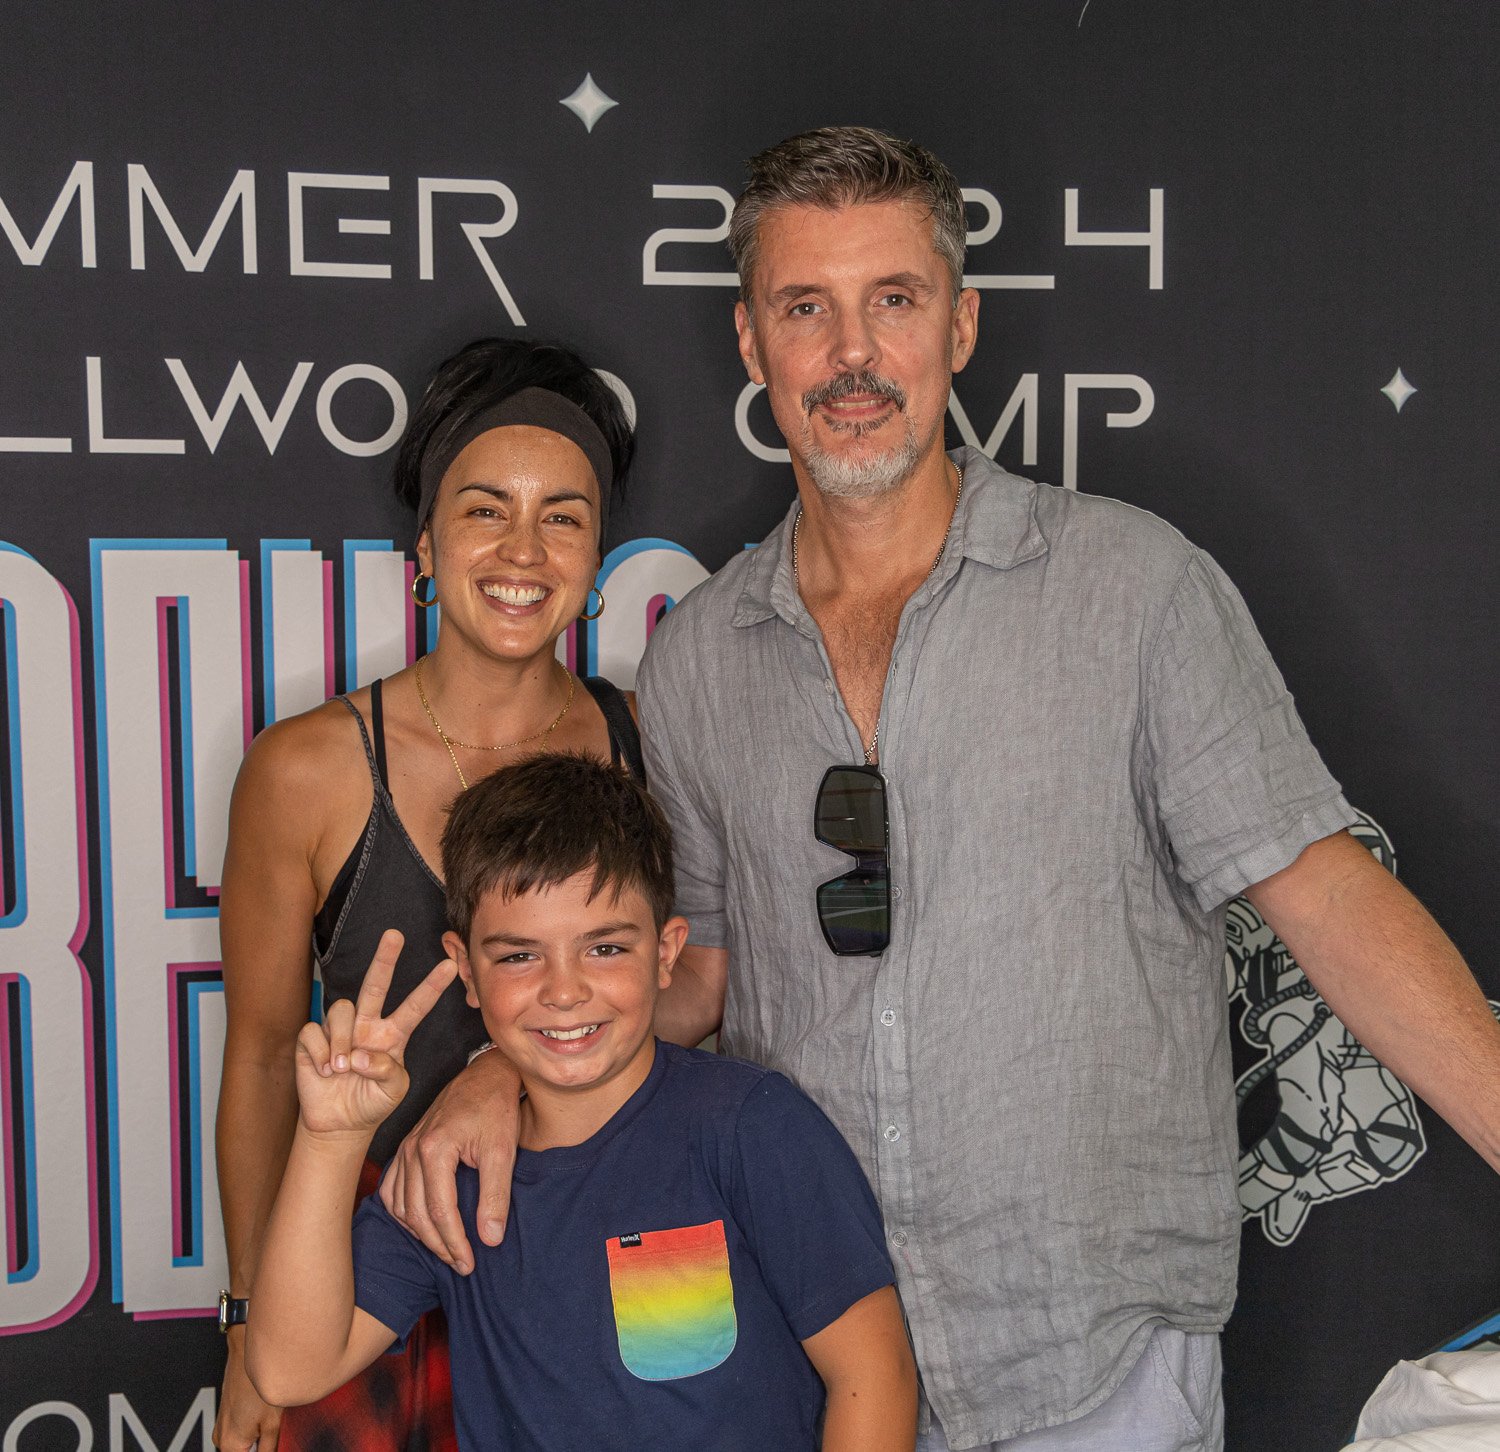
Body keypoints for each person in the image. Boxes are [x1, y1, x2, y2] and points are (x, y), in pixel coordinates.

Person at [380, 129, 1500, 1452]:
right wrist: (504, 1075)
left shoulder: (1134, 589)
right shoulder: (698, 659)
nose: (852, 354)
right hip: (813, 1364)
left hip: (1092, 1365)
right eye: (806, 307)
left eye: (894, 300)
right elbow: (693, 979)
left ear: (960, 327)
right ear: (752, 343)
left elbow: (1322, 893)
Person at [213, 336, 641, 1452]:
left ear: (598, 556)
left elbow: (690, 985)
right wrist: (250, 1319)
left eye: (562, 516)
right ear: (426, 545)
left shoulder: (647, 743)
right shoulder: (305, 770)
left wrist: (498, 1073)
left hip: (593, 1248)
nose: (522, 550)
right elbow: (261, 1058)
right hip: (371, 1279)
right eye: (485, 509)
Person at [245, 752, 918, 1452]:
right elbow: (288, 1368)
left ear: (667, 951)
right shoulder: (450, 1173)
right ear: (466, 969)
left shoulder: (752, 1127)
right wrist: (330, 1139)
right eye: (519, 956)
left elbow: (874, 1376)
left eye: (604, 949)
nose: (564, 992)